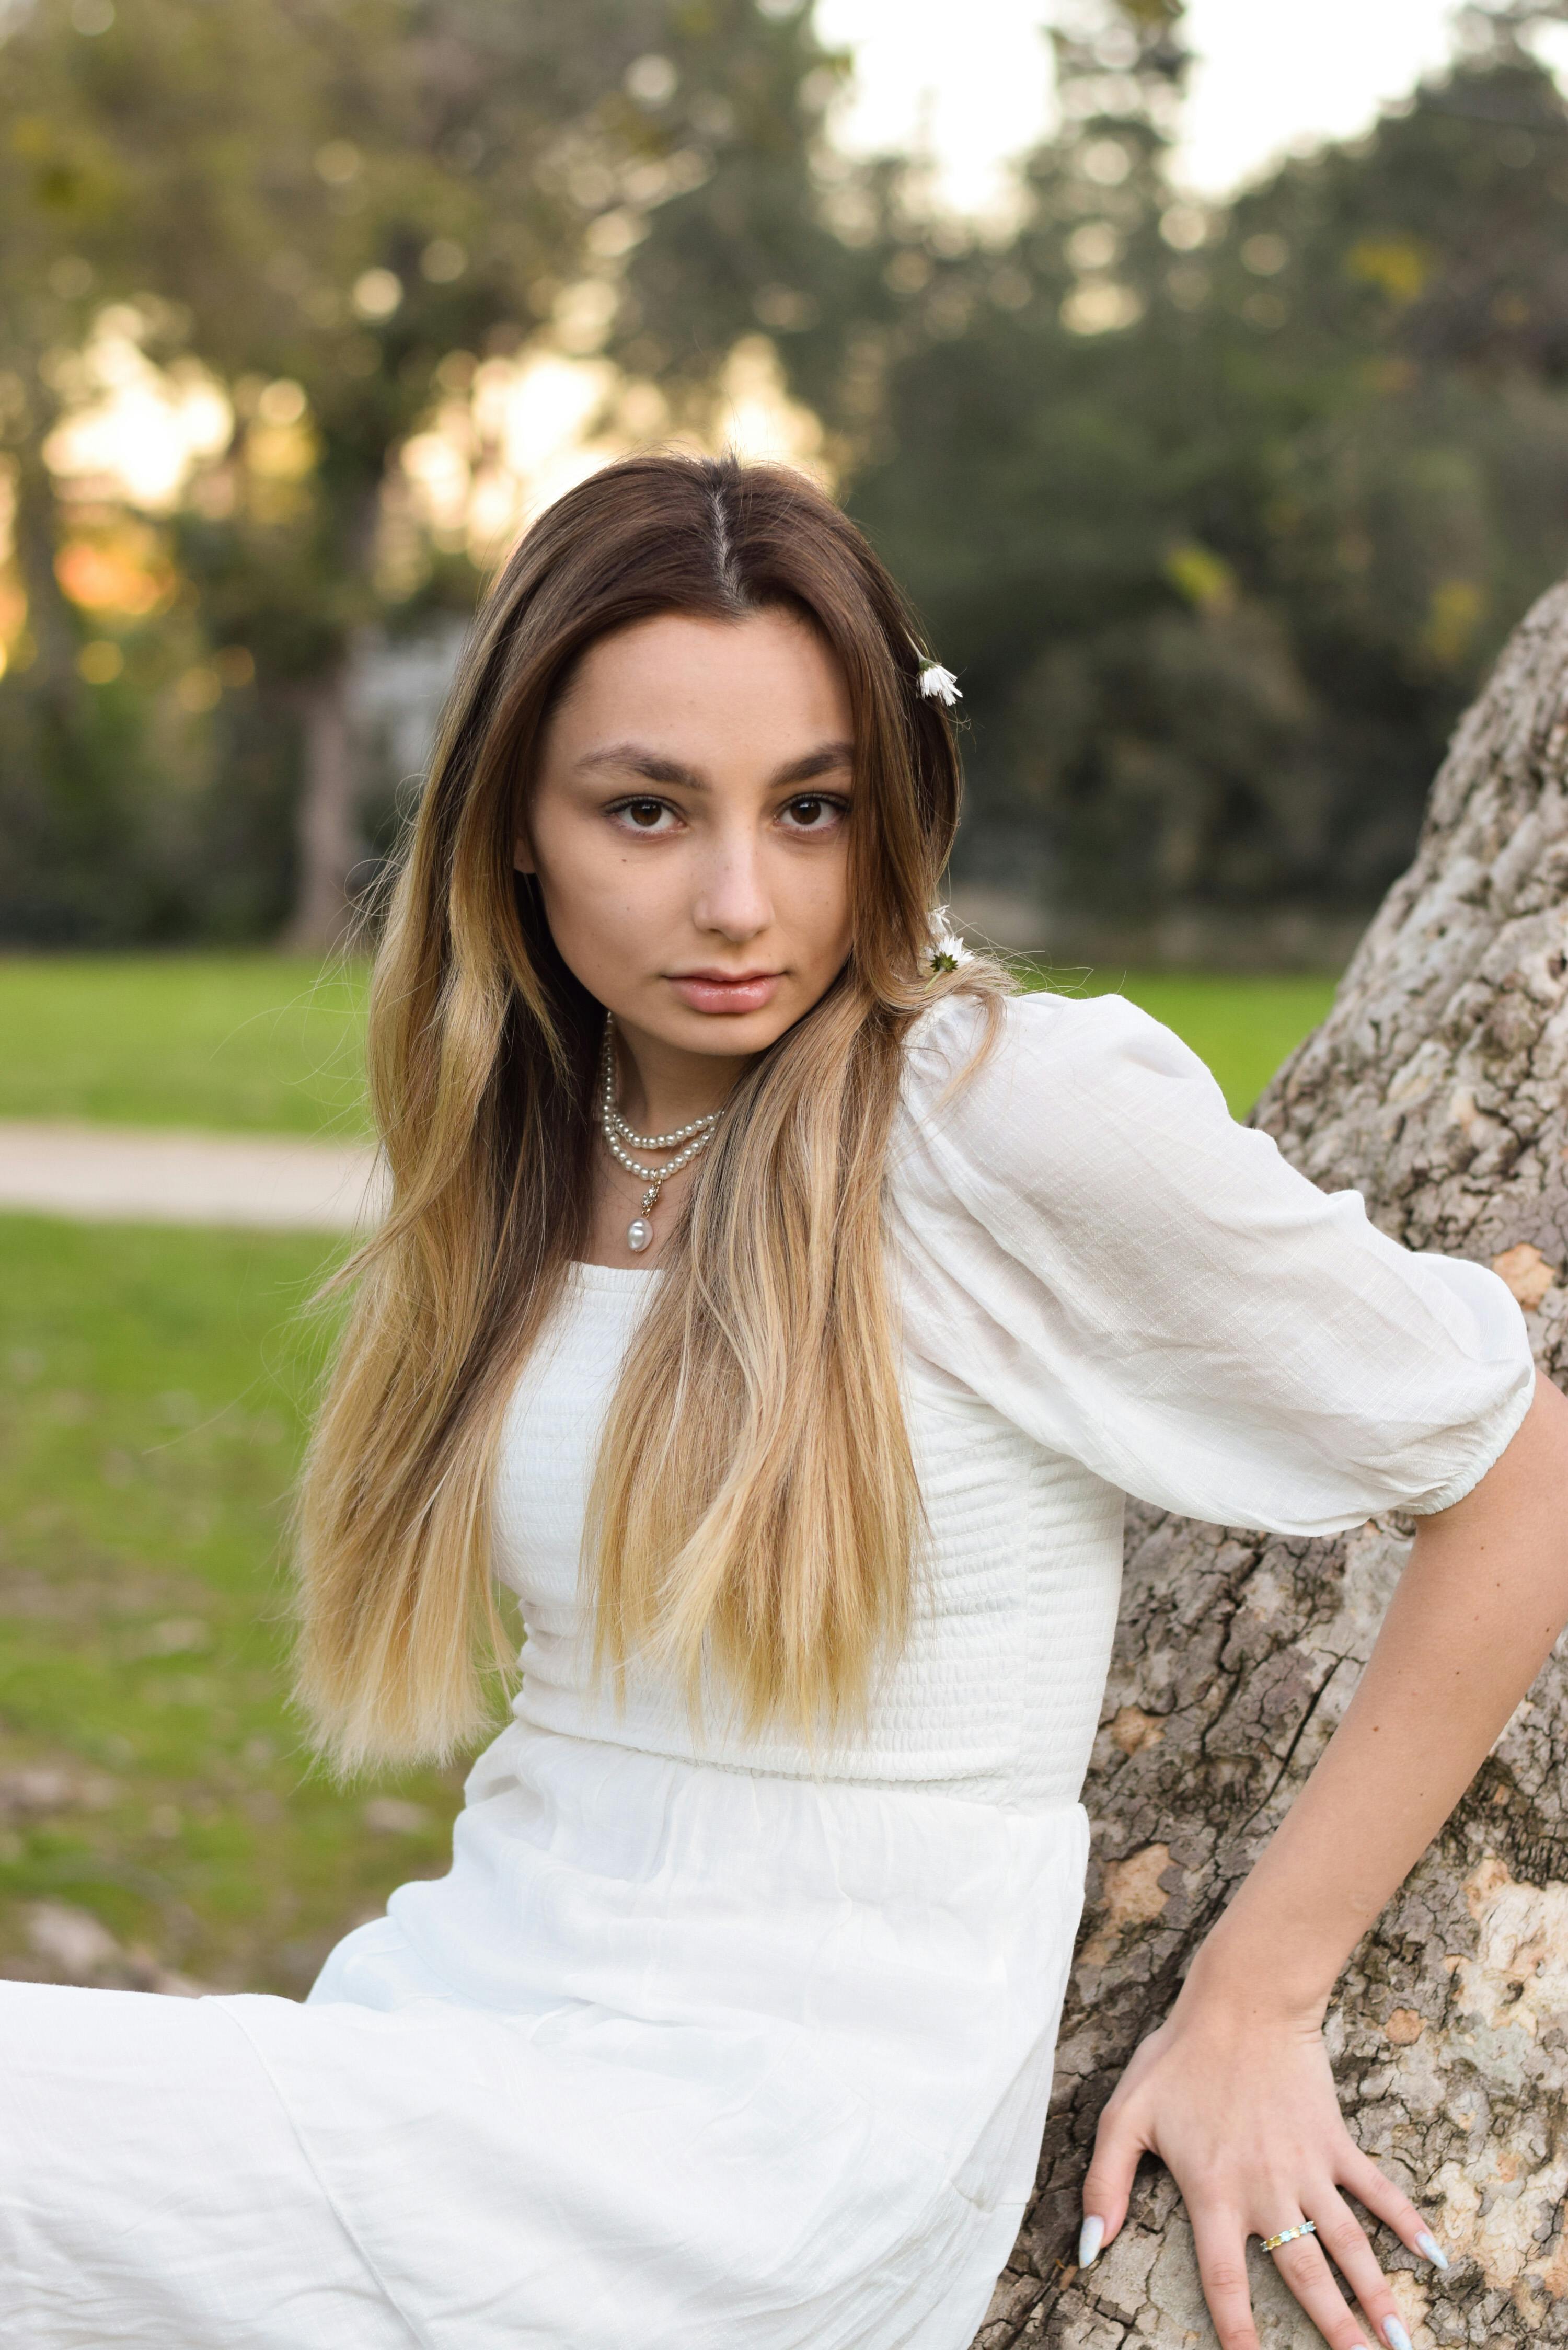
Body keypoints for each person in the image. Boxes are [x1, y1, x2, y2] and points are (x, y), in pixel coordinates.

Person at [3, 451, 1565, 2350]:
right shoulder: (547, 1143)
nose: (741, 902)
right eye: (649, 810)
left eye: (812, 809)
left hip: (764, 2146)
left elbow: (1522, 1463)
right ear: (513, 823)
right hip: (466, 2018)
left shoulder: (994, 1115)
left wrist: (1263, 1990)